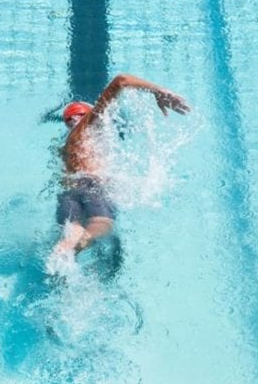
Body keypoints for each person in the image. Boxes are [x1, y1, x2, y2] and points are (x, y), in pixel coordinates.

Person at [49, 74, 190, 264]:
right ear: (85, 115)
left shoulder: (65, 146)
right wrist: (158, 91)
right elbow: (120, 80)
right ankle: (81, 241)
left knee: (71, 233)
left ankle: (67, 247)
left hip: (69, 193)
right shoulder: (88, 123)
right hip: (93, 186)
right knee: (101, 225)